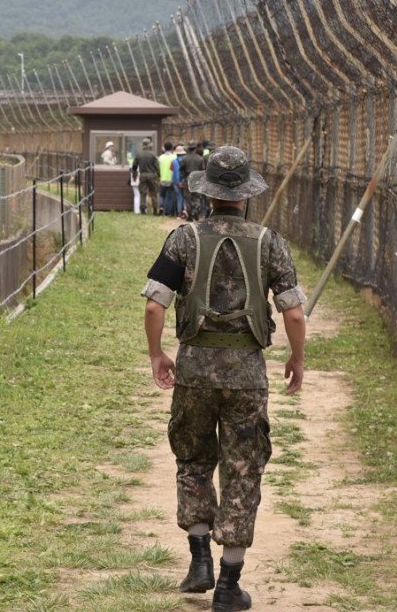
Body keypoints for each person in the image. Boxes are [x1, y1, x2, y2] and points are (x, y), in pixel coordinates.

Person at [141, 146, 307, 612]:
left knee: (193, 458)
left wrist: (157, 354)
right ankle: (230, 583)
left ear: (207, 193)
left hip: (193, 368)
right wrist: (297, 358)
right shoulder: (270, 242)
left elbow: (155, 304)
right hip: (247, 375)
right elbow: (292, 312)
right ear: (247, 194)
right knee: (243, 467)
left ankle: (198, 560)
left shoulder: (184, 238)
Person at [131, 138, 162, 215]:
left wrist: (134, 173)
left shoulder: (139, 154)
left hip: (143, 175)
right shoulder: (153, 154)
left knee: (143, 193)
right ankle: (155, 210)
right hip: (152, 175)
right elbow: (157, 166)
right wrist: (159, 175)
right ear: (149, 145)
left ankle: (142, 210)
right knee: (154, 193)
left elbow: (134, 166)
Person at [180, 142, 207, 220]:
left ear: (188, 148)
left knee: (188, 198)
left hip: (188, 178)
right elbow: (203, 170)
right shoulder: (200, 158)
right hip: (197, 179)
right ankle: (196, 212)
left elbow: (181, 170)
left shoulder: (184, 158)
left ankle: (190, 215)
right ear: (195, 148)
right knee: (197, 197)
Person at [158, 142, 178, 216]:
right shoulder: (174, 157)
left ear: (164, 148)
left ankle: (161, 207)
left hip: (162, 179)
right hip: (171, 179)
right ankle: (168, 212)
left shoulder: (160, 157)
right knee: (170, 196)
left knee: (162, 195)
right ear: (171, 148)